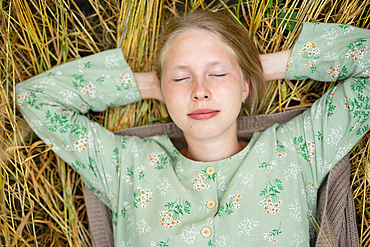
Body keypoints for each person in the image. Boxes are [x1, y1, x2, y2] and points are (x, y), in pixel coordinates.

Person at [15, 10, 370, 246]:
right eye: (181, 77)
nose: (200, 90)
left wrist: (263, 67)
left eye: (218, 74)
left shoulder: (298, 150)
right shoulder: (126, 167)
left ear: (245, 86)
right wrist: (149, 85)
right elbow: (36, 99)